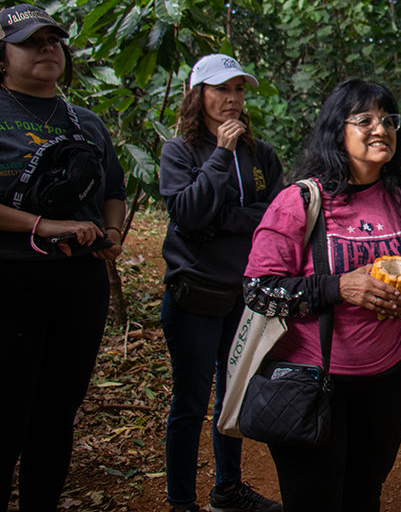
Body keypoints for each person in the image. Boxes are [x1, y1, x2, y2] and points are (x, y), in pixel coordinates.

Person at [244, 79, 401, 512]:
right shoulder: (299, 202)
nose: (380, 128)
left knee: (364, 495)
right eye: (364, 119)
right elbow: (258, 291)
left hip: (388, 380)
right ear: (337, 131)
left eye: (388, 120)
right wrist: (339, 286)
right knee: (314, 502)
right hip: (310, 381)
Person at [0, 4, 126, 512]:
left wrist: (113, 230)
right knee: (7, 417)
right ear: (2, 57)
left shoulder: (86, 121)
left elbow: (113, 189)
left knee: (56, 416)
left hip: (79, 286)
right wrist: (41, 225)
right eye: (31, 41)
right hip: (11, 282)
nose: (48, 48)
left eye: (53, 39)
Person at [159, 54, 284, 512]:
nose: (231, 99)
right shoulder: (180, 151)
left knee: (233, 397)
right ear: (199, 95)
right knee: (190, 403)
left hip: (243, 294)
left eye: (238, 90)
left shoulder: (261, 153)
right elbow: (188, 214)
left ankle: (228, 490)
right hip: (195, 292)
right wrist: (221, 155)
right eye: (221, 90)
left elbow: (275, 218)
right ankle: (180, 501)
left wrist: (221, 220)